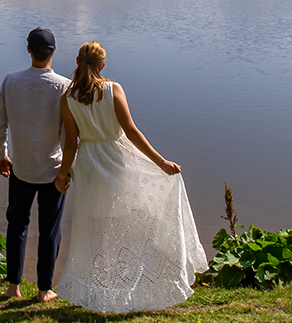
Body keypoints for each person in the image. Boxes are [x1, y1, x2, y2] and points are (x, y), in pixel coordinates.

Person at [53, 41, 206, 313]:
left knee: (96, 230)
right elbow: (132, 132)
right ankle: (125, 288)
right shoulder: (113, 90)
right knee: (123, 226)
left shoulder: (68, 98)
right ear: (102, 65)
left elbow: (70, 144)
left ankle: (101, 290)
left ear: (77, 62)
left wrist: (63, 175)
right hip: (116, 160)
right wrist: (160, 162)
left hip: (88, 165)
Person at [0, 27, 71, 302]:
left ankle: (13, 287)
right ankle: (44, 289)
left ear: (28, 50)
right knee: (49, 232)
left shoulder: (10, 81)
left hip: (21, 168)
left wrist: (2, 154)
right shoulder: (64, 86)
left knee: (16, 227)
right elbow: (68, 134)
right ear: (54, 51)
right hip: (53, 172)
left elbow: (0, 124)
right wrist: (69, 170)